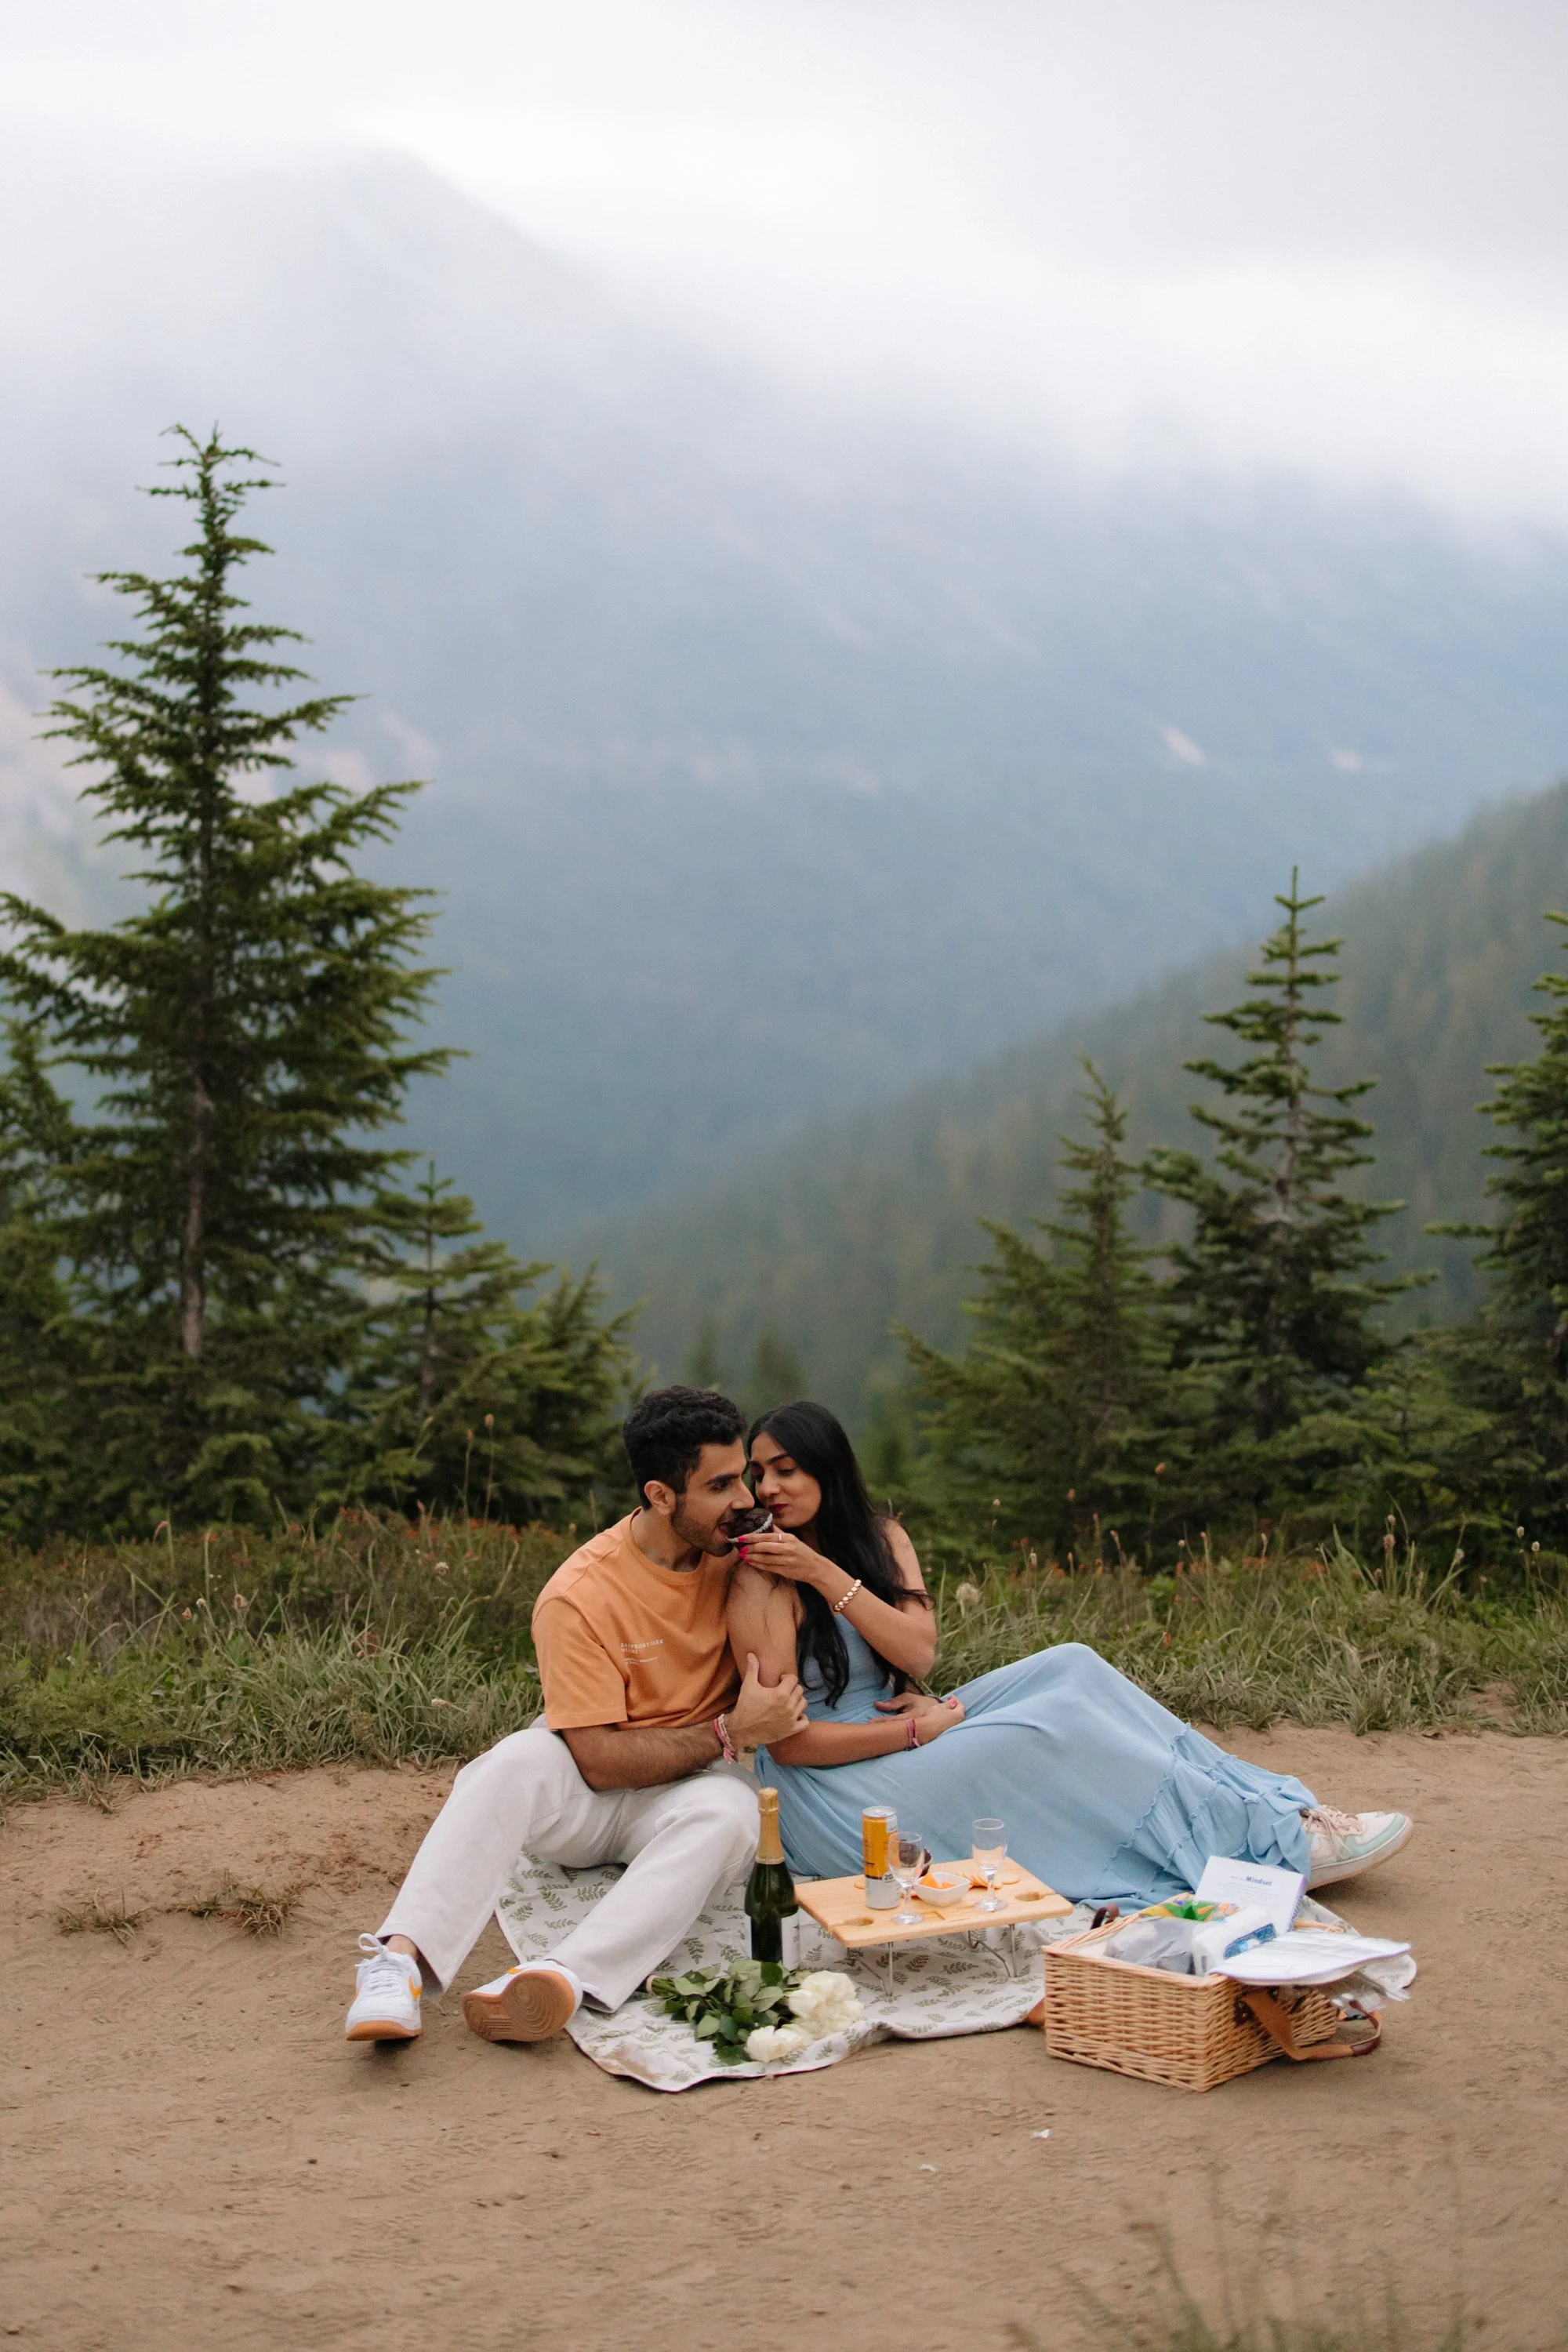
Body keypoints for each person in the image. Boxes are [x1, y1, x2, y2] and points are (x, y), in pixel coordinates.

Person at [728, 1399, 1414, 1909]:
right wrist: (913, 1729)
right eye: (758, 1475)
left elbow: (918, 1652)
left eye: (785, 1470)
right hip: (835, 1790)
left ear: (829, 1468)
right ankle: (1264, 1847)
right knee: (1047, 1730)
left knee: (1072, 1663)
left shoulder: (880, 1537)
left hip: (905, 1724)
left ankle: (1281, 1812)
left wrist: (824, 1574)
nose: (768, 1490)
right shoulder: (763, 1577)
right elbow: (787, 1747)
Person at [344, 1387, 806, 2046]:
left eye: (745, 1478)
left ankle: (559, 1979)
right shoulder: (579, 1594)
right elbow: (595, 1759)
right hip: (590, 1800)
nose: (746, 1499)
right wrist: (731, 1732)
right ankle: (398, 1965)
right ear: (660, 1495)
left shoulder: (741, 1553)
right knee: (510, 1762)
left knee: (733, 1815)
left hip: (689, 1795)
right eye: (723, 1484)